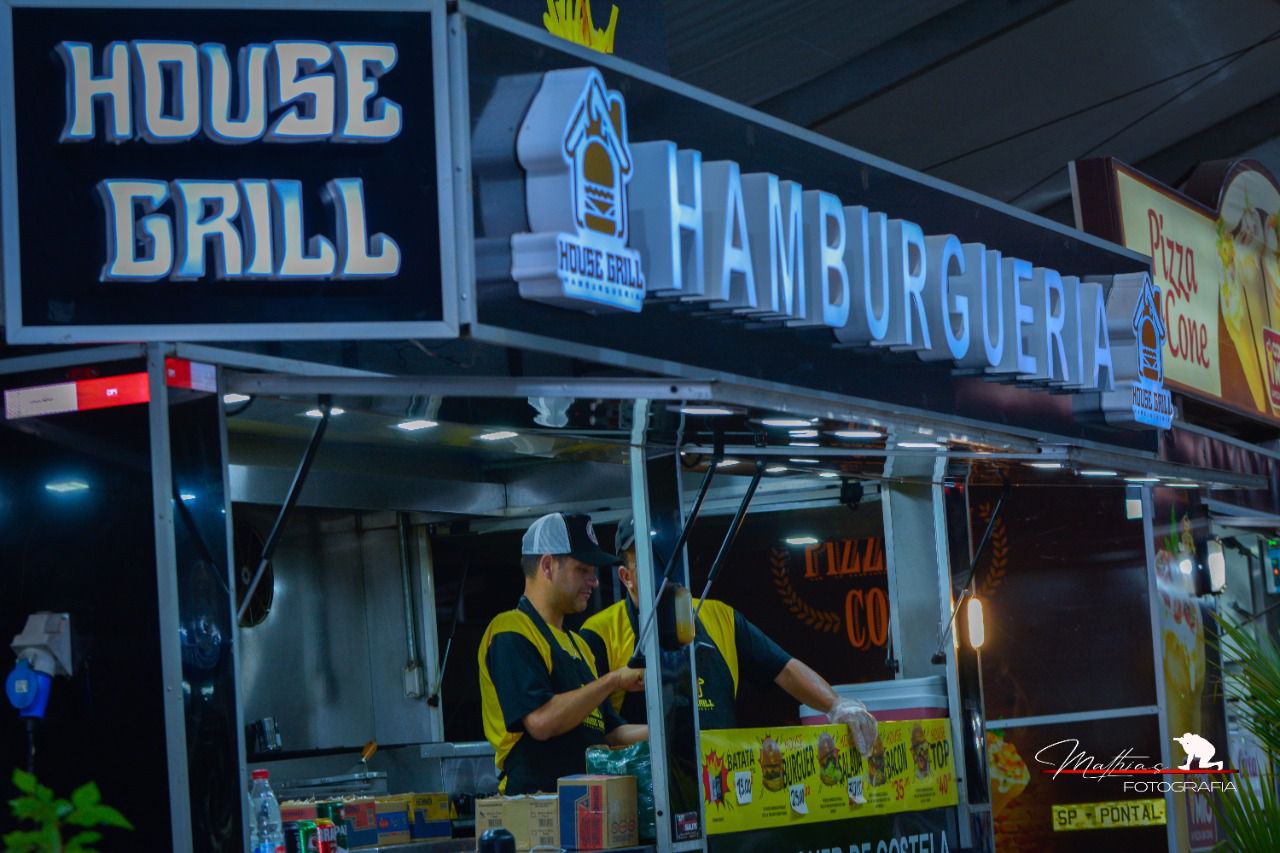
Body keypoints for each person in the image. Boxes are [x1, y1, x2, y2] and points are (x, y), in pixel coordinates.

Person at [580, 516, 877, 754]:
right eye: (650, 561)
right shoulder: (600, 633)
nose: (664, 570)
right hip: (652, 799)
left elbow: (783, 668)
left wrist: (837, 705)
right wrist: (666, 737)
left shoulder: (720, 616)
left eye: (669, 555)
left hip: (725, 787)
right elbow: (601, 732)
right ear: (626, 576)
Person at [478, 512, 648, 794]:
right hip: (534, 811)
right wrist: (613, 680)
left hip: (586, 810)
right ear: (547, 566)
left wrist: (666, 731)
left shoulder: (579, 647)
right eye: (583, 569)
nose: (594, 581)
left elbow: (609, 732)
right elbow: (541, 722)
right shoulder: (510, 630)